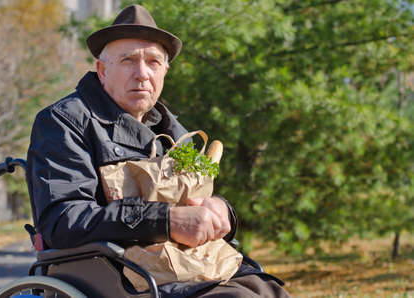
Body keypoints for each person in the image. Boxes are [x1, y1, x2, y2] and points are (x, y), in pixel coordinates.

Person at [27, 4, 290, 297]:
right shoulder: (64, 122)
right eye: (128, 60)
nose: (142, 74)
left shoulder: (173, 131)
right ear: (102, 70)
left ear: (165, 71)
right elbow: (64, 220)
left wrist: (221, 211)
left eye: (153, 62)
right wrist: (166, 221)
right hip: (121, 275)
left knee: (271, 291)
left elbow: (191, 199)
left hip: (189, 266)